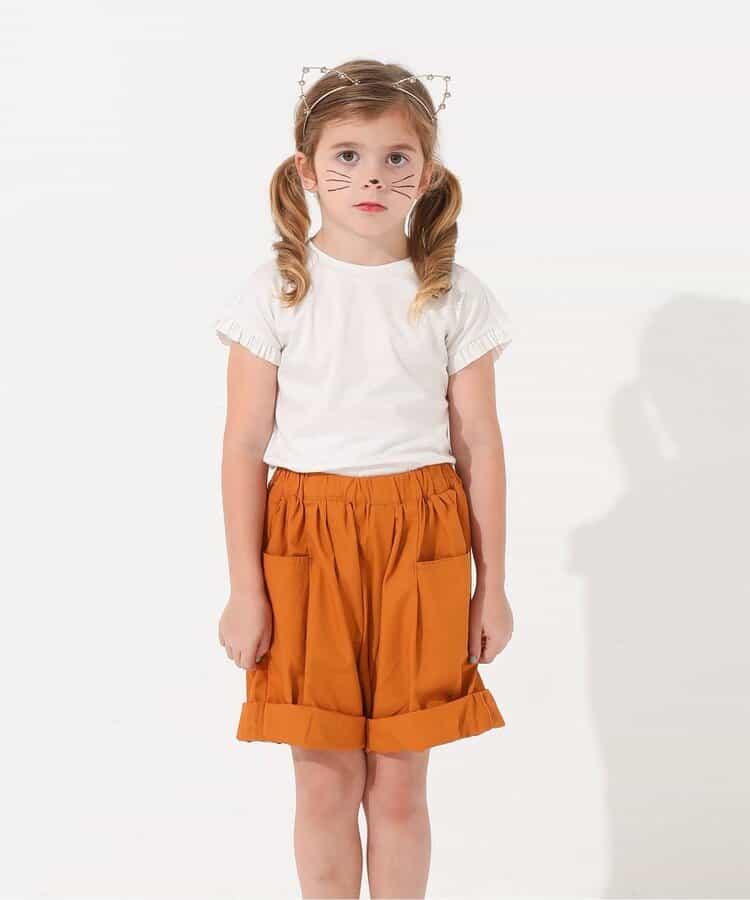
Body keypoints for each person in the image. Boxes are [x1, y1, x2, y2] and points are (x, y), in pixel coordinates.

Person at [213, 58, 515, 899]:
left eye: (395, 157)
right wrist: (245, 589)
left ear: (428, 172)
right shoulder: (276, 291)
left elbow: (479, 443)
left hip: (423, 534)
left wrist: (491, 587)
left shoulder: (451, 293)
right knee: (324, 777)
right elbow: (243, 446)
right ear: (307, 170)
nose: (371, 177)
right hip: (305, 537)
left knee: (400, 781)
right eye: (347, 156)